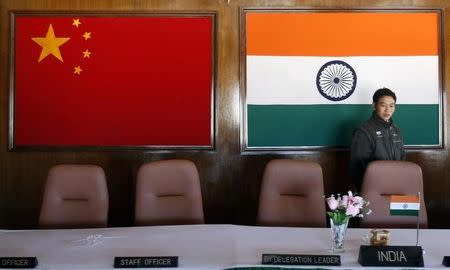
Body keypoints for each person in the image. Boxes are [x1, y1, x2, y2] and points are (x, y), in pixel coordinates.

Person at [350, 87, 405, 191]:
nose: (388, 110)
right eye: (383, 105)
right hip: (373, 188)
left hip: (396, 185)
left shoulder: (396, 130)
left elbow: (402, 159)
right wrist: (366, 192)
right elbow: (357, 168)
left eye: (391, 105)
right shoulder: (363, 131)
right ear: (374, 105)